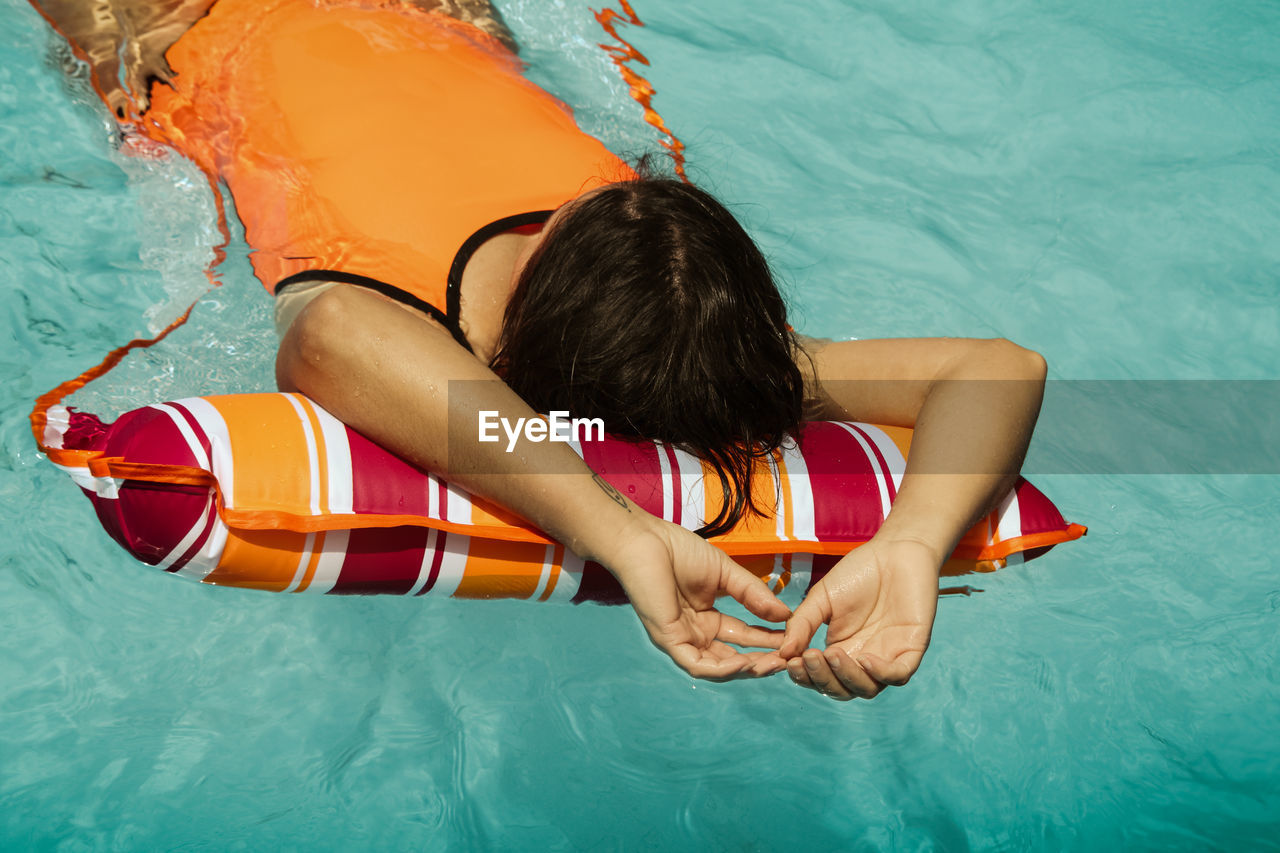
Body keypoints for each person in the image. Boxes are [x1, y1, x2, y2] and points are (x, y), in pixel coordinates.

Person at [32, 0, 1047, 700]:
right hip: (201, 37)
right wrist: (610, 525)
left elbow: (1000, 367)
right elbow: (326, 335)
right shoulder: (398, 297)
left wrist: (910, 545)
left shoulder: (682, 324)